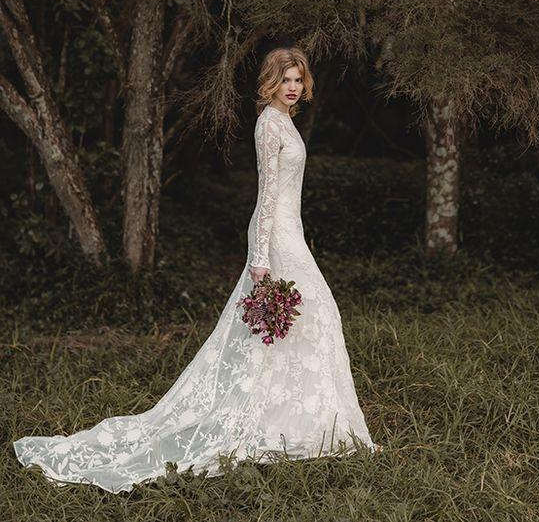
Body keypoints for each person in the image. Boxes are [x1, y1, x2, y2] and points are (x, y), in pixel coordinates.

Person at [13, 47, 380, 493]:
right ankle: (297, 423)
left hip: (290, 230)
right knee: (312, 313)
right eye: (285, 79)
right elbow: (267, 194)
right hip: (275, 235)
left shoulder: (286, 122)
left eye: (298, 80)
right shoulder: (268, 124)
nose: (292, 87)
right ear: (270, 82)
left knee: (301, 323)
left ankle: (300, 422)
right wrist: (260, 256)